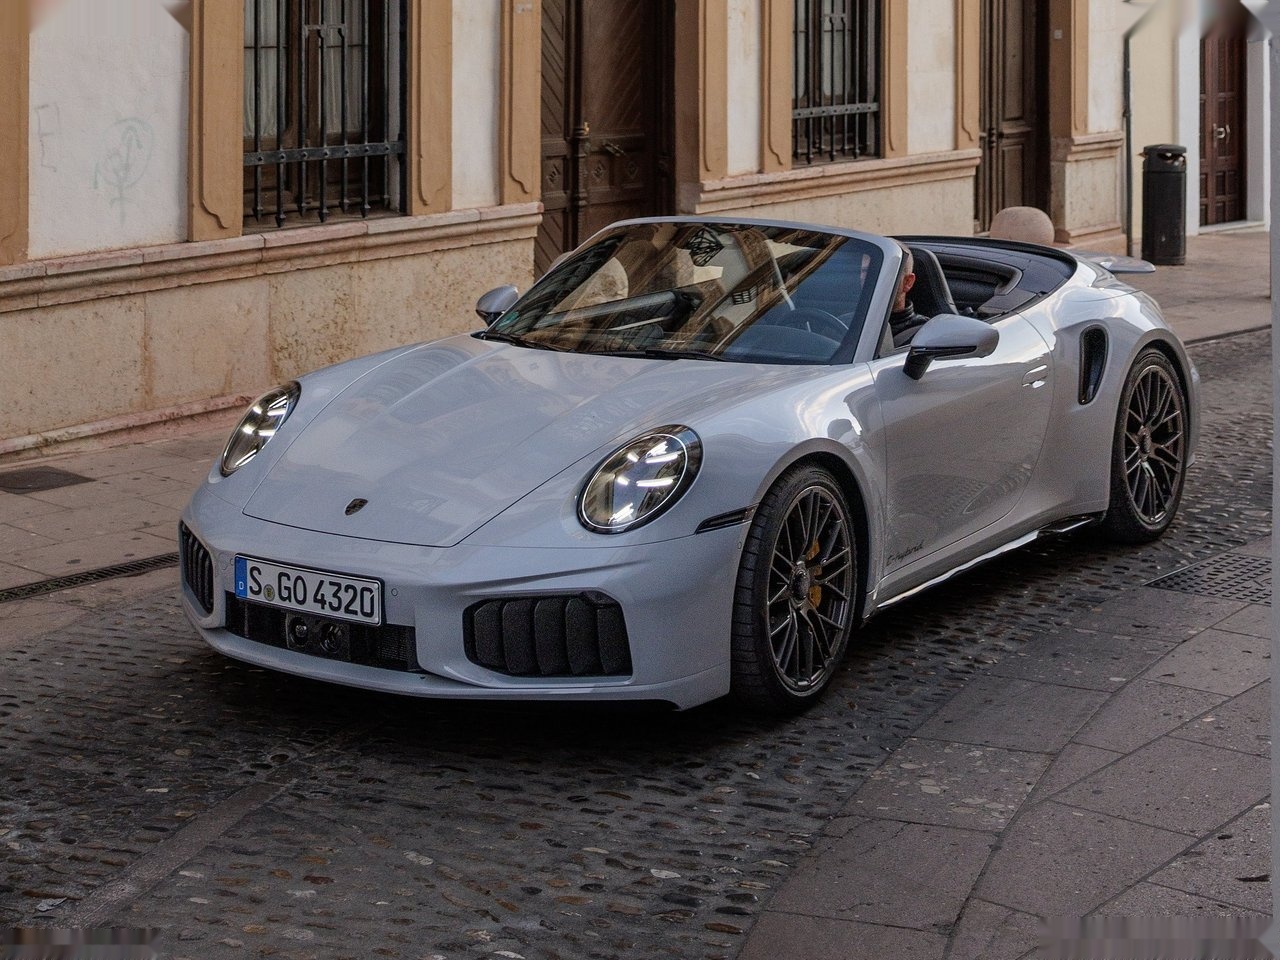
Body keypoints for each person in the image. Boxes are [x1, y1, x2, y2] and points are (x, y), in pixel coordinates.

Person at [888, 241, 930, 349]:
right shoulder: (848, 323)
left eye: (886, 272)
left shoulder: (926, 335)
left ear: (908, 282)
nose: (868, 279)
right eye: (865, 271)